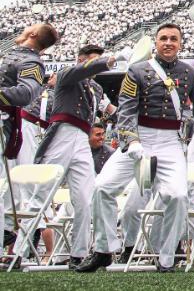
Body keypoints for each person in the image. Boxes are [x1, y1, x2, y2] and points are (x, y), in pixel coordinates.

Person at [78, 23, 194, 273]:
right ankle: (104, 248)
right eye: (163, 38)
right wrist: (131, 140)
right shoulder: (137, 70)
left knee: (177, 196)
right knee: (102, 187)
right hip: (139, 140)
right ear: (156, 41)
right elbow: (127, 109)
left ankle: (167, 257)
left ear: (181, 43)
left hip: (169, 142)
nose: (168, 43)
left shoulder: (191, 73)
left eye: (174, 39)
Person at [13, 43, 128, 268]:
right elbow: (81, 71)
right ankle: (19, 251)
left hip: (82, 139)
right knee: (41, 194)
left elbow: (113, 112)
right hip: (62, 134)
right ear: (80, 59)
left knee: (85, 198)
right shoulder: (67, 75)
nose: (95, 66)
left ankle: (78, 254)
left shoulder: (96, 88)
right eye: (91, 61)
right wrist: (112, 59)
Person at [0, 22, 57, 249]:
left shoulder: (31, 61)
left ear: (33, 34)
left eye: (29, 27)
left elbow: (25, 93)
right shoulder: (12, 54)